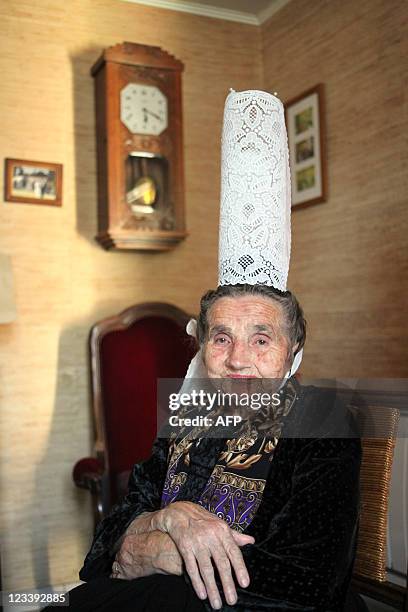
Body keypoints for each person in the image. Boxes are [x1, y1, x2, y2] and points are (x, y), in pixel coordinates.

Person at [46, 90, 364, 611]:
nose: (238, 359)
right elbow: (101, 553)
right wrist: (167, 519)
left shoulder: (322, 422)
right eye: (221, 338)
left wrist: (157, 548)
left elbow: (309, 581)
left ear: (294, 351)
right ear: (200, 346)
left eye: (261, 339)